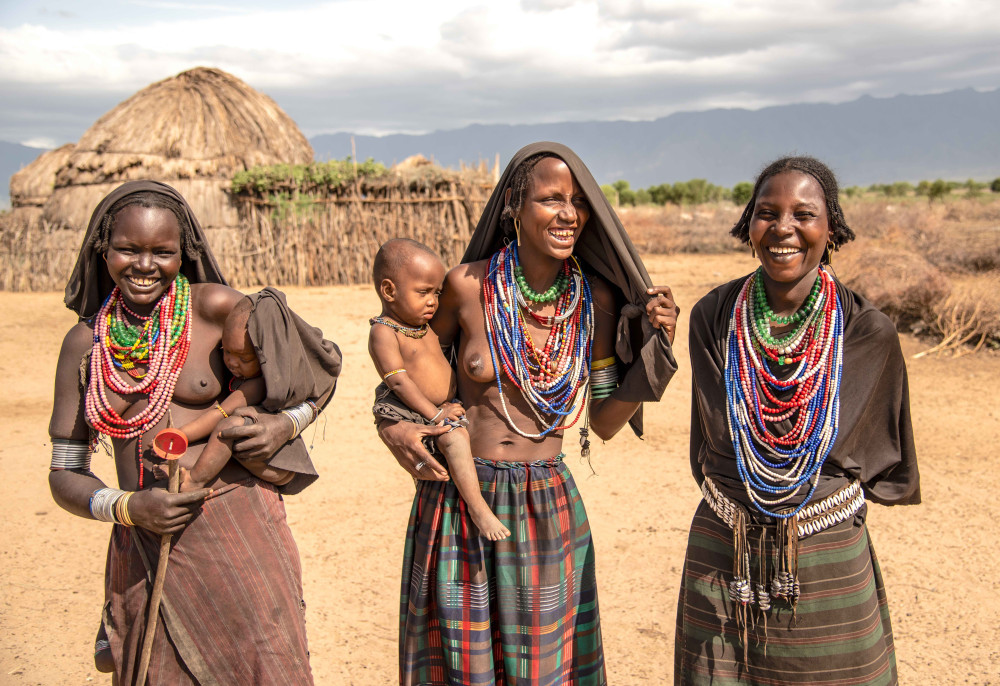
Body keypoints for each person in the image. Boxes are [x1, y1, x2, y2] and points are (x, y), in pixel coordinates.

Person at [379, 142, 680, 685]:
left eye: (578, 201)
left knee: (542, 670)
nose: (569, 213)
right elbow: (408, 361)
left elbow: (606, 423)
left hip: (547, 504)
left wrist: (657, 353)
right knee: (458, 666)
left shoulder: (596, 299)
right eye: (550, 199)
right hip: (459, 499)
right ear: (513, 207)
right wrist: (392, 425)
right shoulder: (466, 286)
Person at [48, 181, 341, 684]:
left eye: (162, 252)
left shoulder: (218, 308)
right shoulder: (85, 342)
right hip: (143, 533)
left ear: (184, 252)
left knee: (263, 666)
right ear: (102, 247)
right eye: (127, 249)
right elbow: (65, 472)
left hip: (238, 529)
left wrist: (283, 423)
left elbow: (319, 371)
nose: (144, 266)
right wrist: (127, 507)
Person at [676, 157, 920, 684]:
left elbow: (851, 451)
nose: (783, 227)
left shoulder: (865, 331)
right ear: (749, 226)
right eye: (767, 213)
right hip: (724, 545)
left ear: (831, 228)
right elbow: (718, 441)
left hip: (822, 550)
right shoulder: (714, 317)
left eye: (803, 214)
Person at [369, 238, 510, 540]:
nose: (433, 301)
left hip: (437, 408)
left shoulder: (424, 326)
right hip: (412, 410)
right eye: (423, 292)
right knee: (456, 439)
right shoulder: (384, 332)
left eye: (437, 293)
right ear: (389, 290)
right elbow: (397, 380)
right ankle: (478, 509)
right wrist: (433, 415)